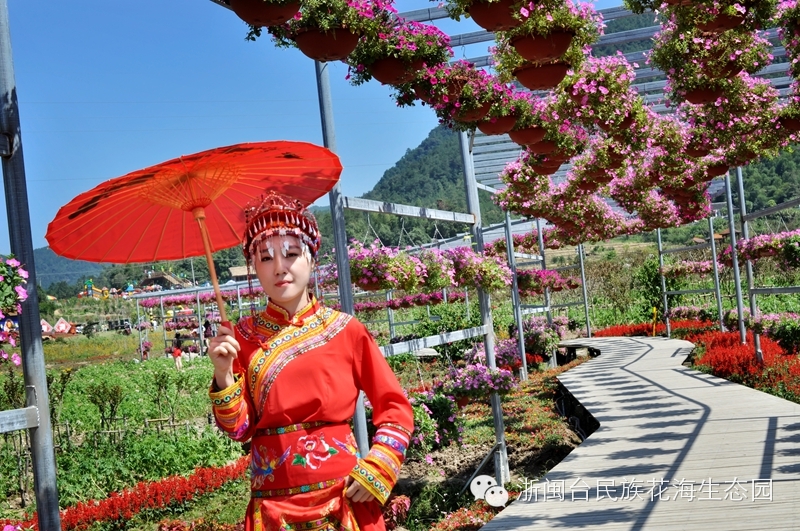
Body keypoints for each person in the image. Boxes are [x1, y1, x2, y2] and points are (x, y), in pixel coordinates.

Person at [208, 192, 413, 531]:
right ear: (254, 267)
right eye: (265, 258)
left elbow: (395, 407)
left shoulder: (346, 330)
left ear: (312, 259)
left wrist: (379, 466)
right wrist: (223, 374)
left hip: (343, 498)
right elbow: (239, 430)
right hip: (272, 509)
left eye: (291, 254)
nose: (279, 268)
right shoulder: (240, 338)